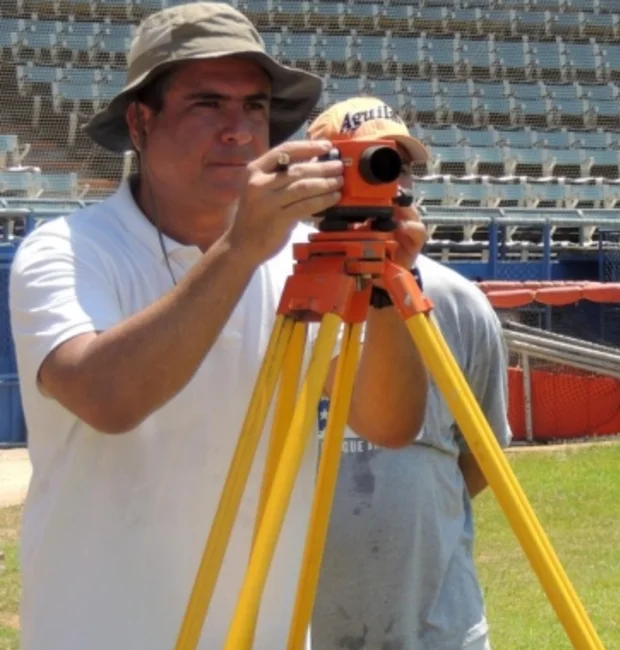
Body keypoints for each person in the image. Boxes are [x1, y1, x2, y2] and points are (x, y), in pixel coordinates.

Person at [7, 5, 430, 649]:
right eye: (207, 103)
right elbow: (107, 399)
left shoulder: (295, 260)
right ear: (140, 122)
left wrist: (384, 289)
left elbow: (390, 424)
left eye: (255, 107)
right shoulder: (66, 250)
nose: (238, 131)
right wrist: (240, 251)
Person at [303, 97, 513, 650]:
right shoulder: (284, 296)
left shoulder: (460, 303)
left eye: (395, 163)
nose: (385, 180)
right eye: (366, 162)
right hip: (301, 624)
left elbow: (481, 456)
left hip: (437, 624)